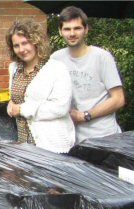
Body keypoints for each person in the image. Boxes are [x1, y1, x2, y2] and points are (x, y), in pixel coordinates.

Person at [51, 6, 125, 143]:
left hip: (106, 138)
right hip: (73, 139)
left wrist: (84, 115)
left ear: (86, 30)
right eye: (67, 29)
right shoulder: (56, 59)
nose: (72, 33)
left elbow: (118, 99)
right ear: (60, 31)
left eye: (77, 28)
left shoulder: (102, 57)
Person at [5, 19, 75, 153]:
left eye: (25, 43)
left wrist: (21, 109)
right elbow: (18, 97)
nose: (21, 49)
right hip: (24, 145)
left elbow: (60, 107)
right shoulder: (14, 68)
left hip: (52, 146)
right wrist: (10, 103)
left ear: (36, 41)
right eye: (16, 45)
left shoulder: (56, 68)